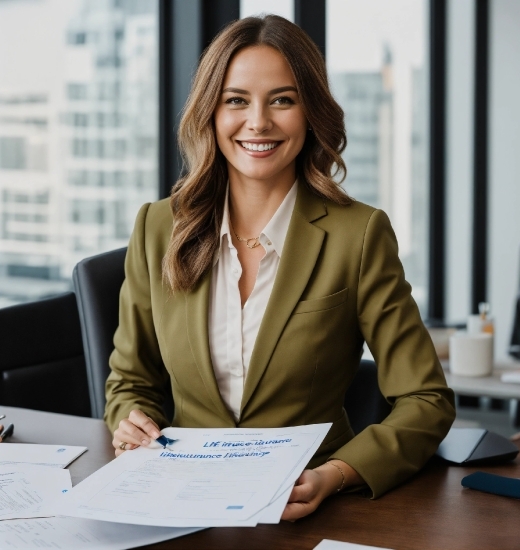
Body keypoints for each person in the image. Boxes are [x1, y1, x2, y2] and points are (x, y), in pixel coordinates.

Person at [105, 15, 455, 521]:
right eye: (237, 100)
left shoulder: (357, 235)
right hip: (181, 504)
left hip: (310, 507)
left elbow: (426, 399)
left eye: (283, 100)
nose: (259, 122)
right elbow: (130, 380)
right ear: (211, 112)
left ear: (310, 112)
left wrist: (336, 475)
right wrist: (129, 420)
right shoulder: (158, 227)